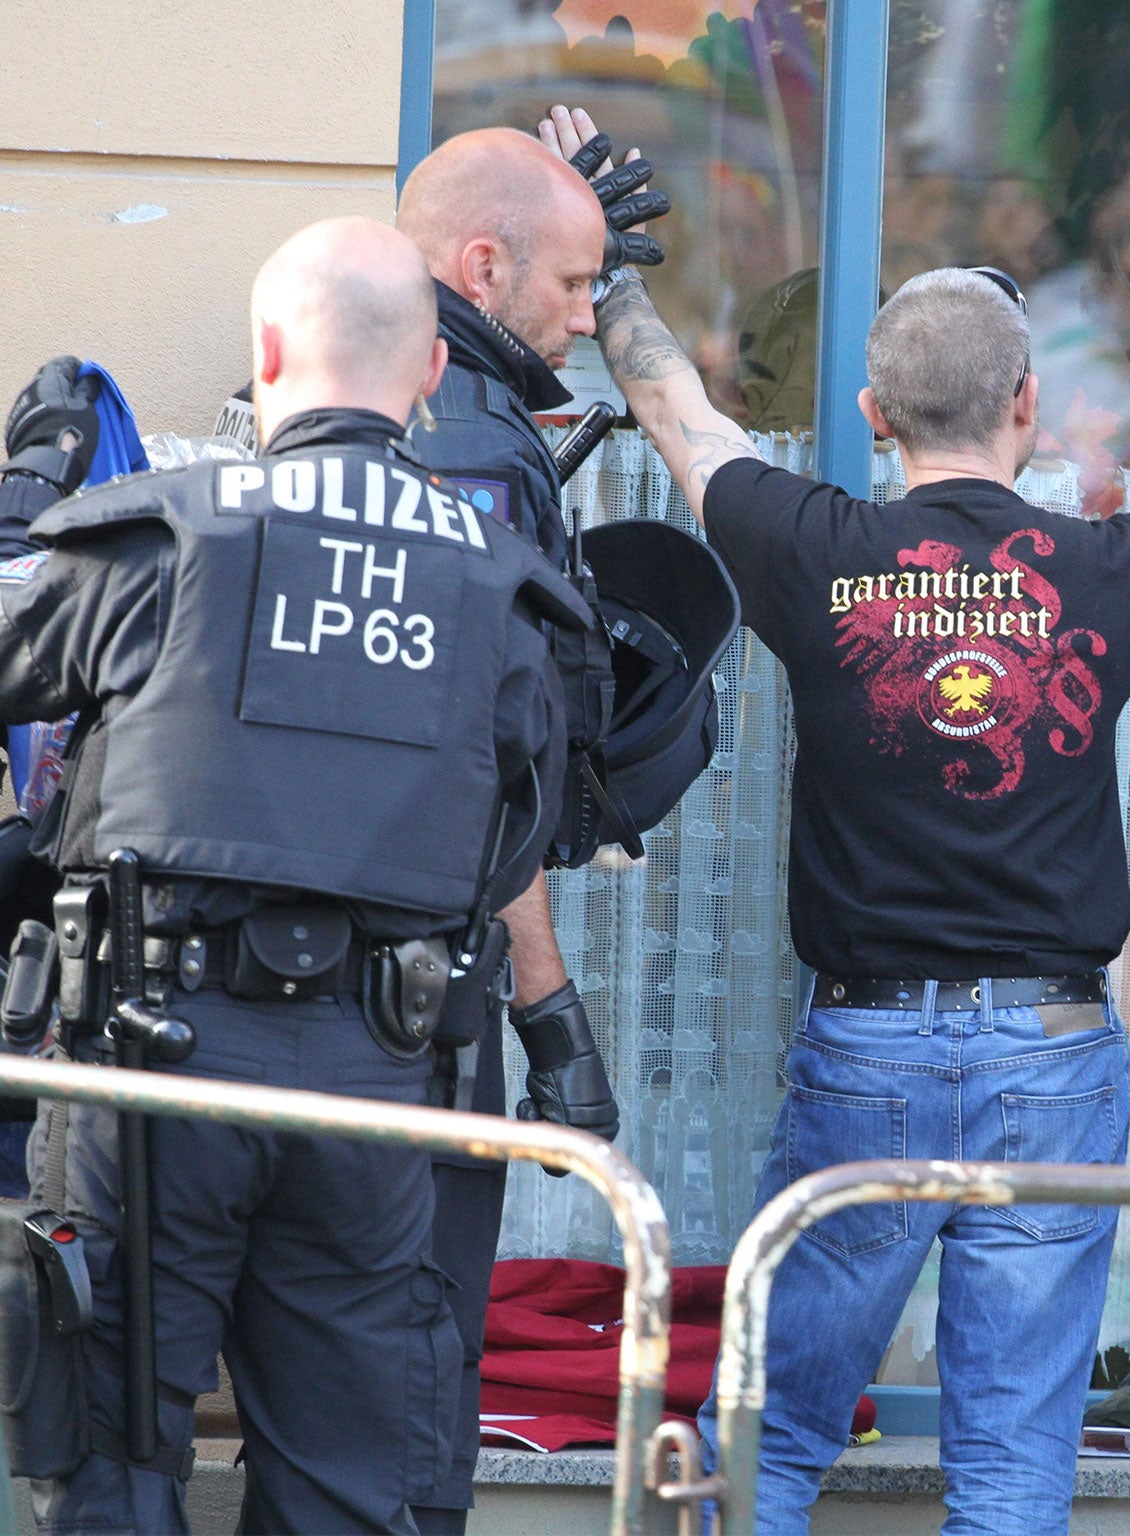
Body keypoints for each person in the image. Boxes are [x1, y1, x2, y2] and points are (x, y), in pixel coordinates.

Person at [554, 102, 1130, 1535]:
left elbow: (677, 414)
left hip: (868, 1050)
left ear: (877, 417)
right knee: (1012, 1470)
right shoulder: (1108, 569)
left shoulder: (812, 546)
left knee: (765, 1440)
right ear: (1028, 408)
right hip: (1058, 1055)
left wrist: (611, 279)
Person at [0, 217, 584, 1533]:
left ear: (266, 349)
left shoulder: (162, 537)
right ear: (432, 370)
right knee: (347, 1487)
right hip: (380, 1094)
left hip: (150, 1068)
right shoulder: (505, 584)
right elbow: (522, 826)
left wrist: (27, 507)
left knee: (107, 1461)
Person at [392, 123, 631, 1533]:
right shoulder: (479, 457)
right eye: (580, 281)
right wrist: (554, 1016)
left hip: (274, 1021)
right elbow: (481, 768)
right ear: (483, 267)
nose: (588, 315)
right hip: (414, 1011)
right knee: (417, 1375)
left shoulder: (316, 415)